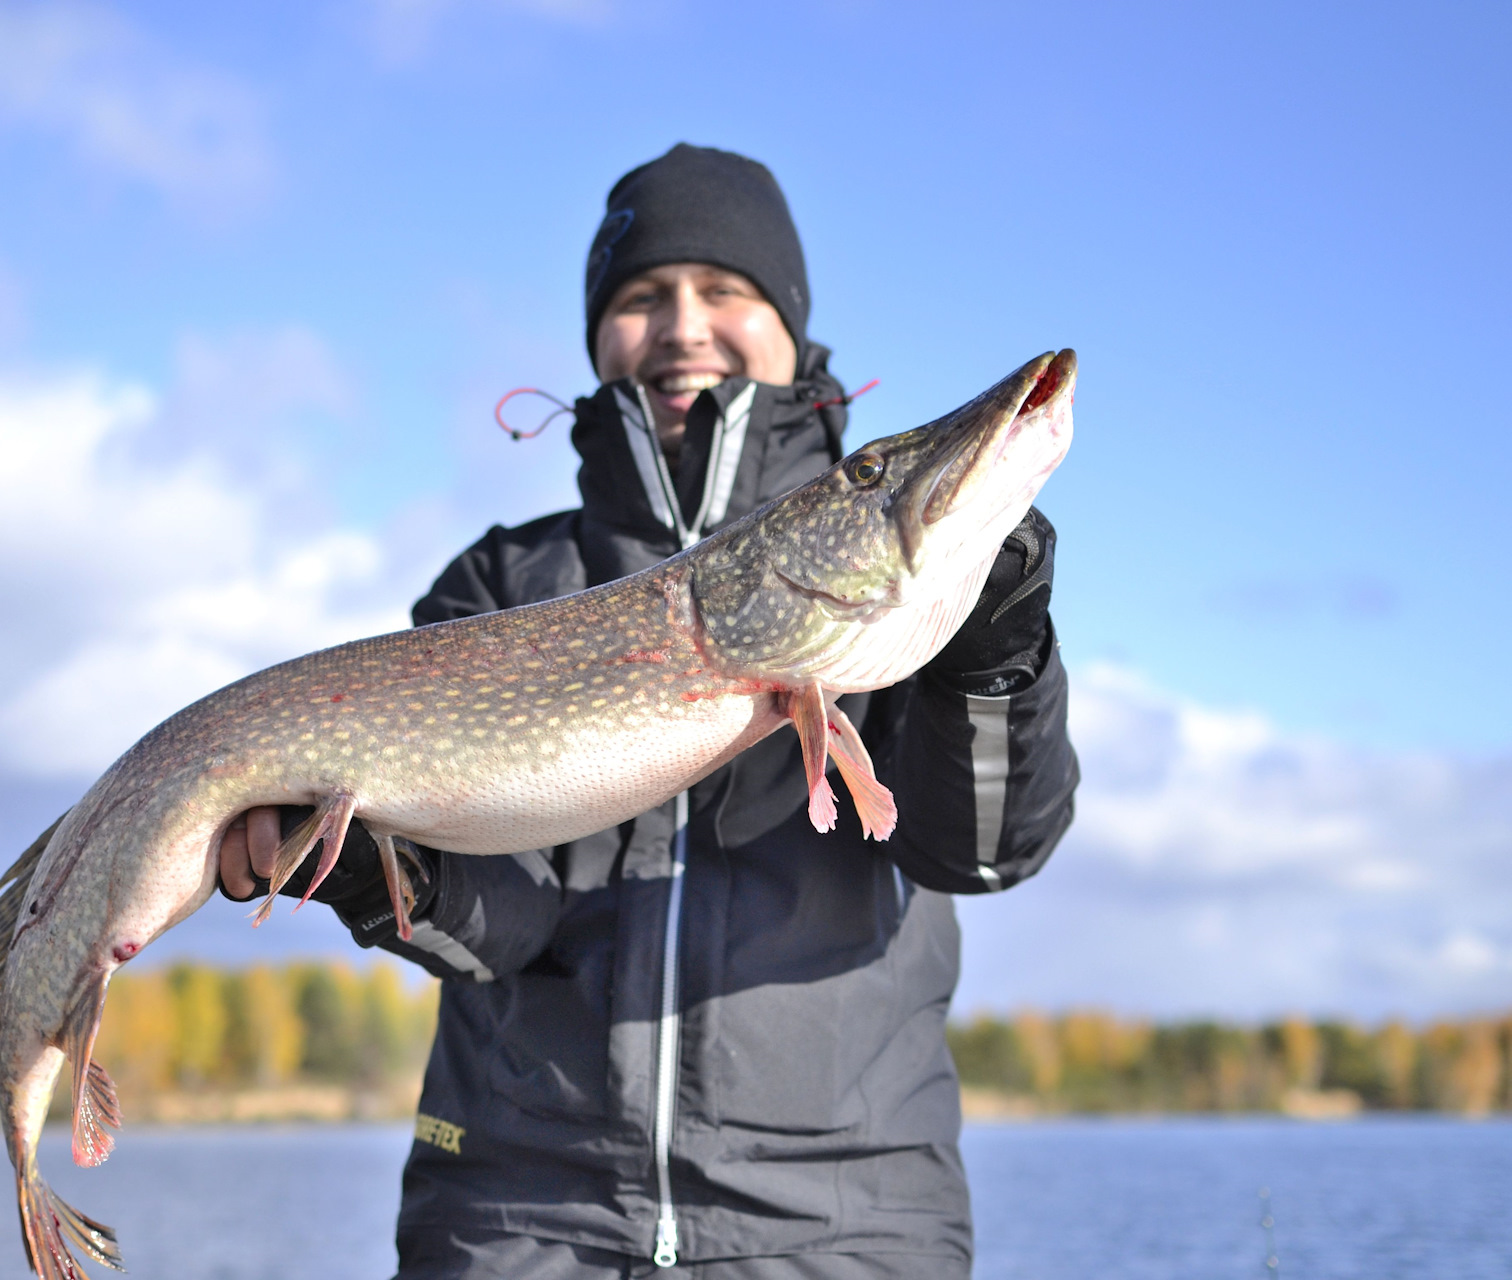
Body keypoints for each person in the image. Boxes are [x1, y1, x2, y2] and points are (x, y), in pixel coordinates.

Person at [219, 144, 1078, 1279]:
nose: (683, 324)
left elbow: (980, 849)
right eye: (642, 295)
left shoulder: (890, 588)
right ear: (598, 335)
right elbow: (506, 917)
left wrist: (994, 655)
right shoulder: (501, 586)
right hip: (519, 1217)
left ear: (792, 329)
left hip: (842, 1228)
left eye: (726, 290)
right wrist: (382, 870)